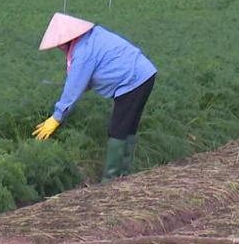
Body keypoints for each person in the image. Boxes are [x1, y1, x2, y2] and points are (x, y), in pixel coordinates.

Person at [32, 13, 156, 182]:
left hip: (132, 81)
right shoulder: (93, 35)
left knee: (118, 128)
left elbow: (73, 89)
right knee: (128, 126)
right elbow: (97, 68)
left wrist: (56, 117)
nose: (59, 47)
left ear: (69, 37)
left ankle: (111, 180)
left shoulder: (82, 52)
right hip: (145, 74)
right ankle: (124, 176)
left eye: (59, 43)